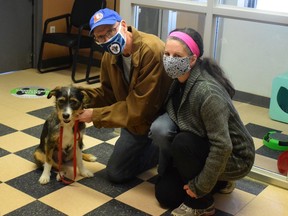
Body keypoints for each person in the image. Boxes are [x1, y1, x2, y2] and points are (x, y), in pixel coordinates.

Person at [149, 28, 255, 216]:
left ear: (192, 59)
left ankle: (203, 204)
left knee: (182, 141)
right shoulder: (178, 80)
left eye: (177, 55)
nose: (170, 59)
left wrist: (200, 187)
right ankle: (219, 182)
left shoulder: (207, 92)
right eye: (167, 54)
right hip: (201, 147)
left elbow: (222, 146)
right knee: (165, 195)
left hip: (234, 157)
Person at [77, 8, 172, 184]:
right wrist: (78, 98)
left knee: (161, 131)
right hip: (135, 121)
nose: (106, 39)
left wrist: (94, 115)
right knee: (116, 173)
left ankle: (165, 149)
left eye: (110, 32)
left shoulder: (151, 49)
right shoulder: (109, 56)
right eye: (100, 37)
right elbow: (108, 93)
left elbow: (140, 106)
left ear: (122, 25)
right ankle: (154, 150)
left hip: (159, 115)